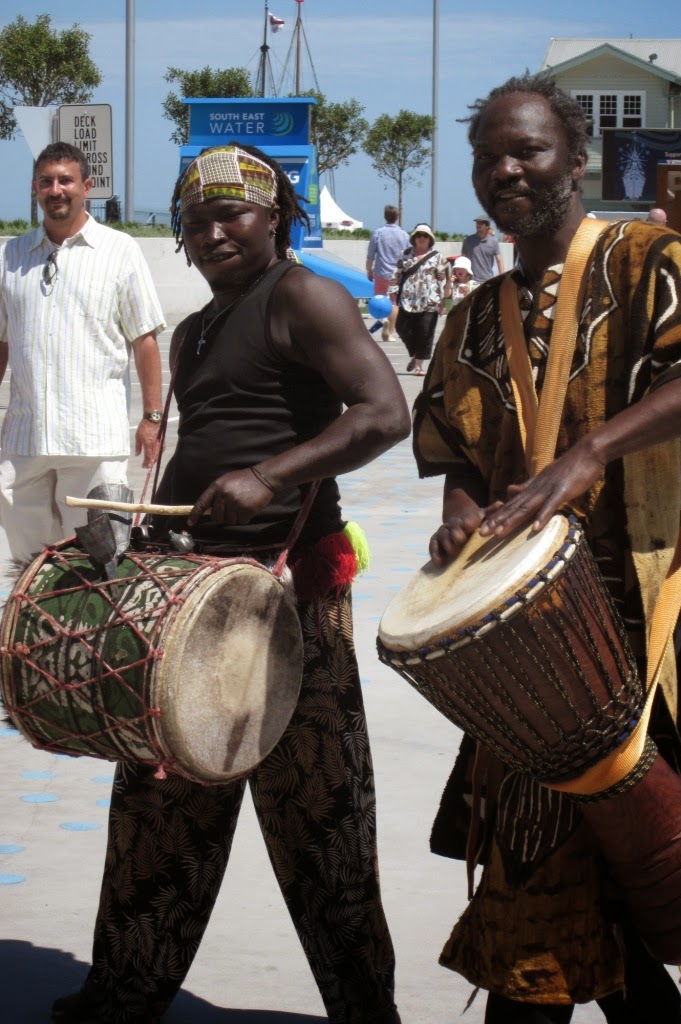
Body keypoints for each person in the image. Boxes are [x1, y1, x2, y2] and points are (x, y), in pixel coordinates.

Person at [412, 73, 681, 1023]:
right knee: (592, 879)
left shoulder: (645, 258)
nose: (506, 169)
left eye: (526, 150)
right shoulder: (474, 314)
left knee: (584, 855)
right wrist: (460, 508)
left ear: (576, 158)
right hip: (530, 632)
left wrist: (591, 453)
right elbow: (453, 445)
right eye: (489, 155)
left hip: (644, 600)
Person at [51, 143, 410, 1024]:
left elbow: (384, 413)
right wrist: (140, 538)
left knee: (322, 829)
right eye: (196, 219)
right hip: (193, 607)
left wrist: (274, 476)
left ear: (276, 216)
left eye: (232, 214)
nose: (213, 231)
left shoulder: (303, 296)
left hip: (289, 606)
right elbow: (204, 446)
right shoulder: (198, 326)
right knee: (156, 813)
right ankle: (123, 994)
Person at [0, 142, 164, 561]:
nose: (56, 190)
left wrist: (152, 417)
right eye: (46, 181)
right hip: (24, 442)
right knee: (27, 564)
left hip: (93, 439)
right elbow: (2, 341)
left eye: (65, 180)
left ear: (86, 186)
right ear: (35, 189)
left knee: (100, 561)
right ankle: (39, 628)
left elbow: (144, 339)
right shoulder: (11, 255)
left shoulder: (119, 250)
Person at [390, 223, 451, 376]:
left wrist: (443, 301)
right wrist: (392, 292)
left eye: (425, 236)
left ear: (430, 239)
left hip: (430, 300)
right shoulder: (405, 254)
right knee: (401, 327)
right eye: (419, 235)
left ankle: (419, 365)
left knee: (425, 332)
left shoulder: (437, 257)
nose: (422, 238)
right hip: (407, 300)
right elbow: (396, 274)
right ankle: (416, 353)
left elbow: (441, 279)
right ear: (414, 238)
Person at [366, 204, 410, 341]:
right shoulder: (404, 234)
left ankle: (383, 318)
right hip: (397, 274)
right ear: (397, 217)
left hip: (381, 272)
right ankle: (390, 333)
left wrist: (369, 269)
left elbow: (371, 254)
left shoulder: (378, 233)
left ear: (385, 217)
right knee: (393, 303)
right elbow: (409, 255)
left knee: (379, 299)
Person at [461, 215, 505, 282]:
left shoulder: (493, 241)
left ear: (487, 227)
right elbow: (462, 259)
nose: (478, 225)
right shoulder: (468, 240)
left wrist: (502, 278)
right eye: (477, 223)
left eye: (481, 223)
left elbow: (499, 260)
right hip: (471, 280)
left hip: (487, 280)